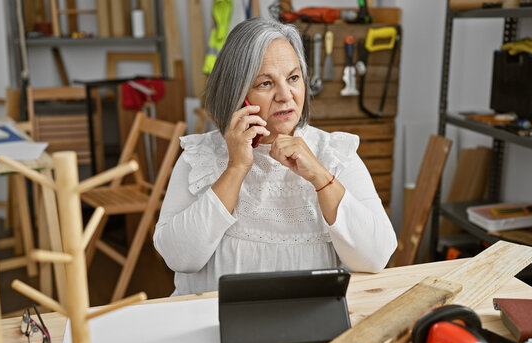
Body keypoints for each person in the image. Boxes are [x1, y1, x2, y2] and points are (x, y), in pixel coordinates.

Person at [154, 17, 397, 296]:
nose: (286, 95)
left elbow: (377, 257)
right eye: (266, 83)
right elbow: (179, 258)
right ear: (237, 93)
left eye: (293, 78)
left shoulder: (334, 154)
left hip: (308, 325)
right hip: (212, 326)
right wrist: (235, 168)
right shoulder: (199, 157)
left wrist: (320, 176)